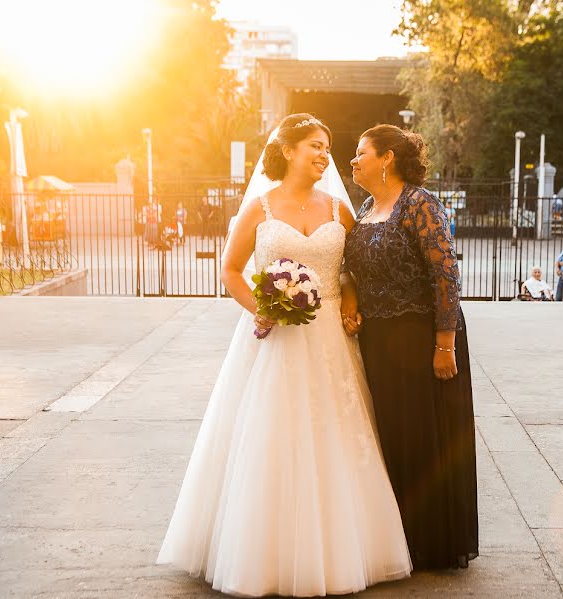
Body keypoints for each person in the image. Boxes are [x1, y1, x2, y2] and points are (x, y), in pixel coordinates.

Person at [157, 114, 411, 597]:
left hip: (331, 343)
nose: (324, 155)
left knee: (335, 439)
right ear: (288, 150)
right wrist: (264, 309)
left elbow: (352, 272)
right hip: (273, 341)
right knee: (270, 440)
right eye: (315, 145)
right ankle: (263, 555)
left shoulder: (340, 210)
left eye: (327, 147)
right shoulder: (259, 208)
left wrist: (352, 307)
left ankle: (342, 550)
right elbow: (230, 271)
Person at [344, 124, 478, 570]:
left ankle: (431, 540)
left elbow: (445, 274)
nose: (353, 160)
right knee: (392, 435)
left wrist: (444, 345)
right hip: (380, 340)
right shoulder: (366, 207)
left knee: (423, 436)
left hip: (422, 336)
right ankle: (397, 538)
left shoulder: (420, 203)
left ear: (388, 158)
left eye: (361, 152)